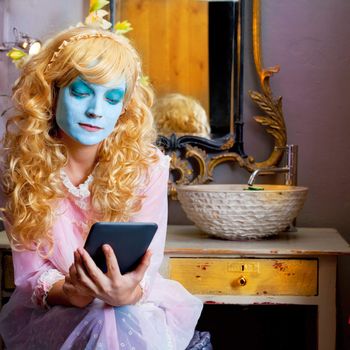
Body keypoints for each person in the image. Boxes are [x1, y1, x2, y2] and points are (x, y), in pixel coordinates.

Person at [0, 26, 203, 349]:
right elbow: (32, 276)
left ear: (124, 107)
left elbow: (146, 268)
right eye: (81, 93)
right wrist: (72, 292)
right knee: (99, 316)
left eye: (112, 98)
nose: (96, 110)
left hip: (131, 310)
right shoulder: (21, 167)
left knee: (112, 314)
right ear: (51, 93)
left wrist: (127, 292)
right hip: (56, 311)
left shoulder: (146, 167)